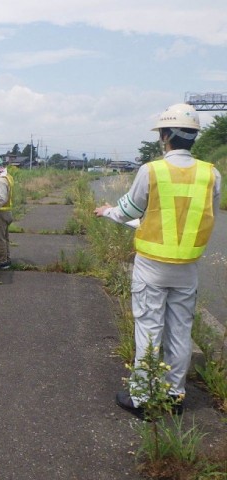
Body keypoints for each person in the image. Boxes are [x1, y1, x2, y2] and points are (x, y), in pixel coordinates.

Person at [94, 103, 222, 418]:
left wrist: (108, 211)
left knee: (149, 328)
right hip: (188, 267)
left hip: (152, 265)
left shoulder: (152, 170)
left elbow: (128, 211)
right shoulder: (211, 174)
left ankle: (142, 396)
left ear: (164, 135)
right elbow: (205, 219)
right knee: (180, 330)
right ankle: (174, 395)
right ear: (193, 136)